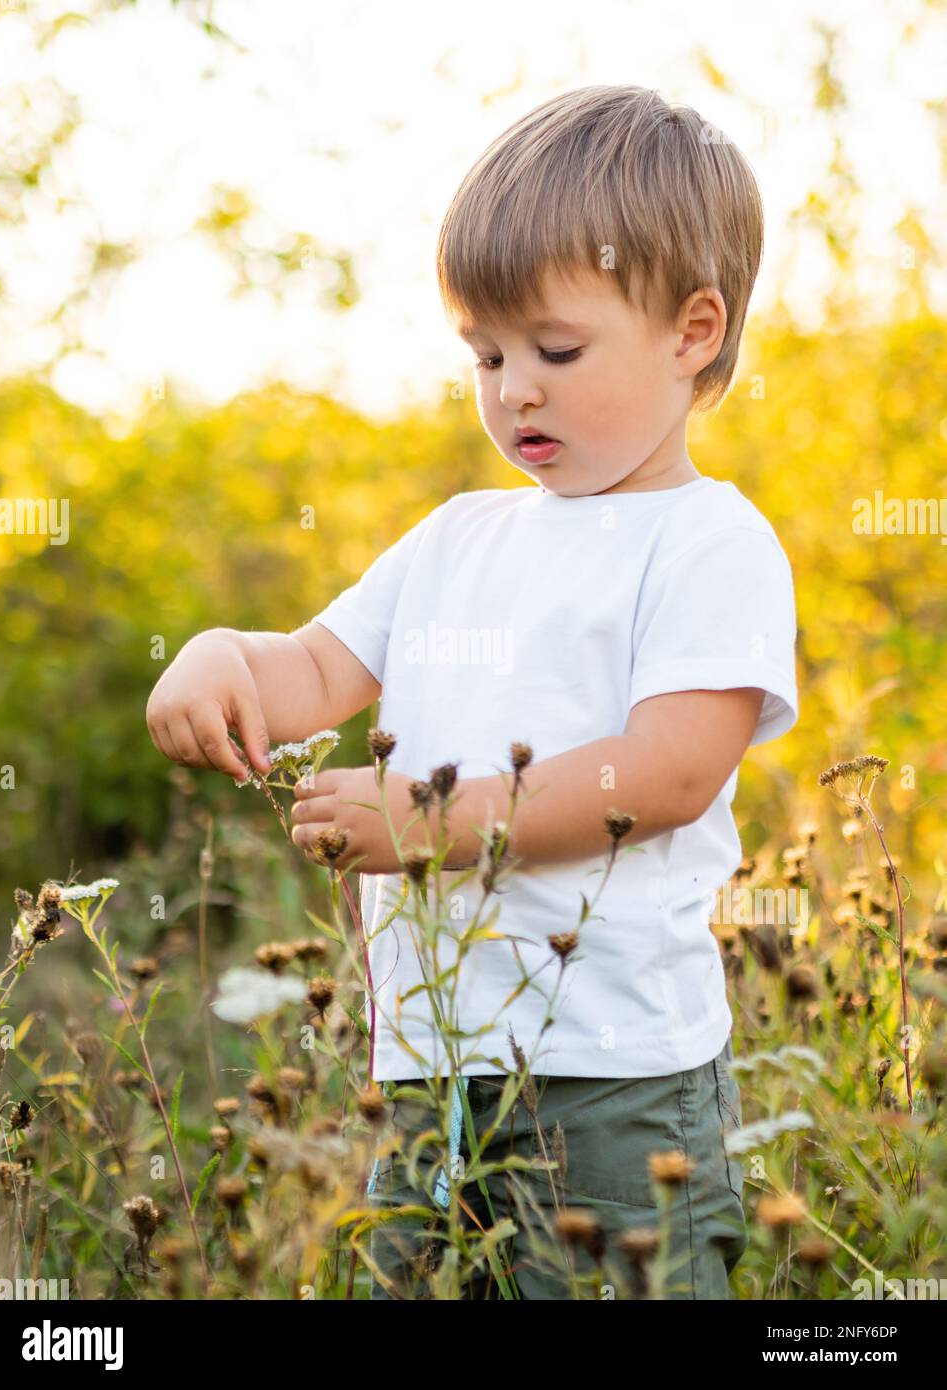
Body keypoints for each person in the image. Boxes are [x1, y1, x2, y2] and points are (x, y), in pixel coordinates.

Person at [146, 84, 798, 1300]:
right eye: (485, 355)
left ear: (693, 330)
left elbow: (666, 772)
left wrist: (429, 824)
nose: (515, 391)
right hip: (431, 1066)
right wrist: (225, 656)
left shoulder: (710, 542)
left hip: (613, 1078)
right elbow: (314, 670)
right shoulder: (454, 539)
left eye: (555, 350)